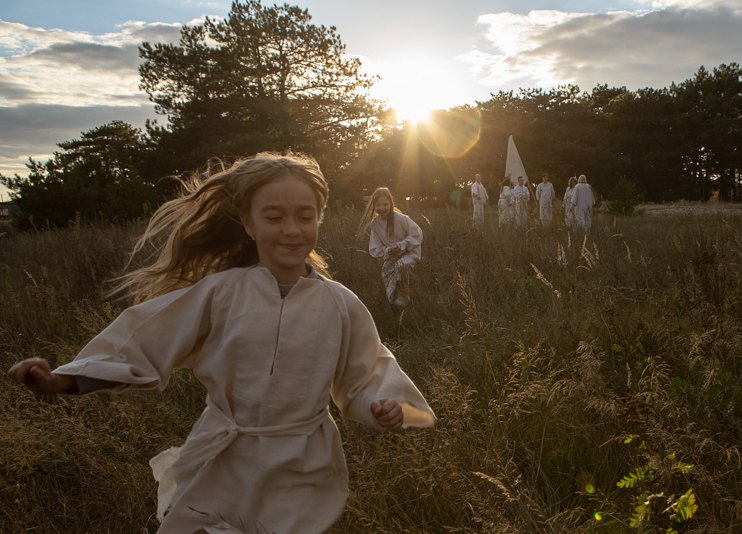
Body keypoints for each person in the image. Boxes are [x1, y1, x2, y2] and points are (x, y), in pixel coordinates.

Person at [7, 153, 436, 534]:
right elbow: (143, 341)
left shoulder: (342, 305)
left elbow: (362, 383)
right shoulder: (221, 292)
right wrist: (62, 381)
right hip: (221, 458)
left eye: (305, 216)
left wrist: (383, 410)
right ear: (247, 223)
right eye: (273, 217)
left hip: (302, 467)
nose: (291, 229)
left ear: (319, 218)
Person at [358, 187, 423, 309]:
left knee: (402, 265)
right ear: (374, 206)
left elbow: (417, 234)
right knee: (386, 271)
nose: (382, 208)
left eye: (385, 204)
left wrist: (401, 245)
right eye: (378, 205)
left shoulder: (401, 218)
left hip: (410, 252)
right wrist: (388, 250)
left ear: (390, 204)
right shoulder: (375, 224)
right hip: (392, 255)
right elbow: (375, 247)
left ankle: (405, 297)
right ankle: (393, 300)